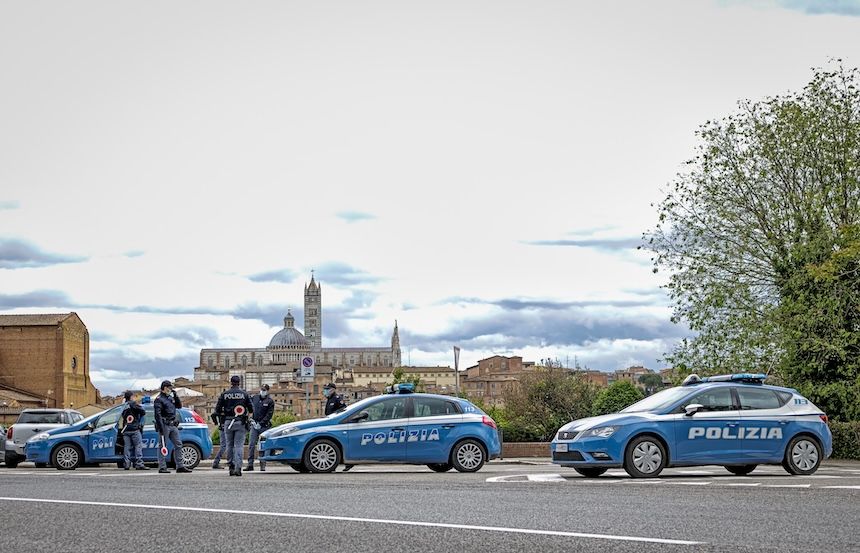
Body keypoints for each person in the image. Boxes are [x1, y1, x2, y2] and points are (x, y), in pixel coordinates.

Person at [214, 375, 253, 476]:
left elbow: (217, 410)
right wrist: (247, 417)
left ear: (231, 383)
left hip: (228, 422)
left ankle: (231, 467)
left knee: (229, 445)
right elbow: (251, 409)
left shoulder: (224, 394)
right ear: (239, 382)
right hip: (240, 422)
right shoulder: (244, 394)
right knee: (239, 445)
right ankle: (238, 467)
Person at [154, 380, 192, 474]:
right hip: (165, 424)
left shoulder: (170, 398)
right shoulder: (159, 399)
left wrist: (176, 395)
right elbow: (157, 415)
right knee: (163, 445)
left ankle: (180, 466)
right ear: (165, 388)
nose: (171, 389)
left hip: (173, 424)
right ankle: (162, 467)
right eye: (169, 387)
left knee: (178, 444)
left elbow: (179, 406)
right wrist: (160, 427)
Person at [323, 383, 353, 471]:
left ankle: (348, 463)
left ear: (332, 389)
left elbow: (343, 410)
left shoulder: (337, 399)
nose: (325, 391)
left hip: (337, 424)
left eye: (327, 389)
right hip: (330, 423)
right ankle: (331, 464)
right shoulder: (329, 399)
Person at [246, 384, 275, 472]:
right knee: (251, 445)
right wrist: (250, 419)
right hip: (254, 426)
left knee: (262, 446)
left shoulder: (270, 401)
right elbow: (249, 407)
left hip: (264, 427)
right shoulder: (255, 398)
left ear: (267, 391)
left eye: (265, 390)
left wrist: (261, 423)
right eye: (262, 389)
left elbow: (269, 415)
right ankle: (250, 464)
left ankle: (262, 465)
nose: (263, 391)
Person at [120, 391, 148, 470]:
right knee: (138, 447)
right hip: (135, 429)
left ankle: (127, 464)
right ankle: (139, 463)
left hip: (126, 429)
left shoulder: (123, 406)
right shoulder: (133, 404)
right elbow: (143, 411)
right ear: (131, 397)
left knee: (127, 447)